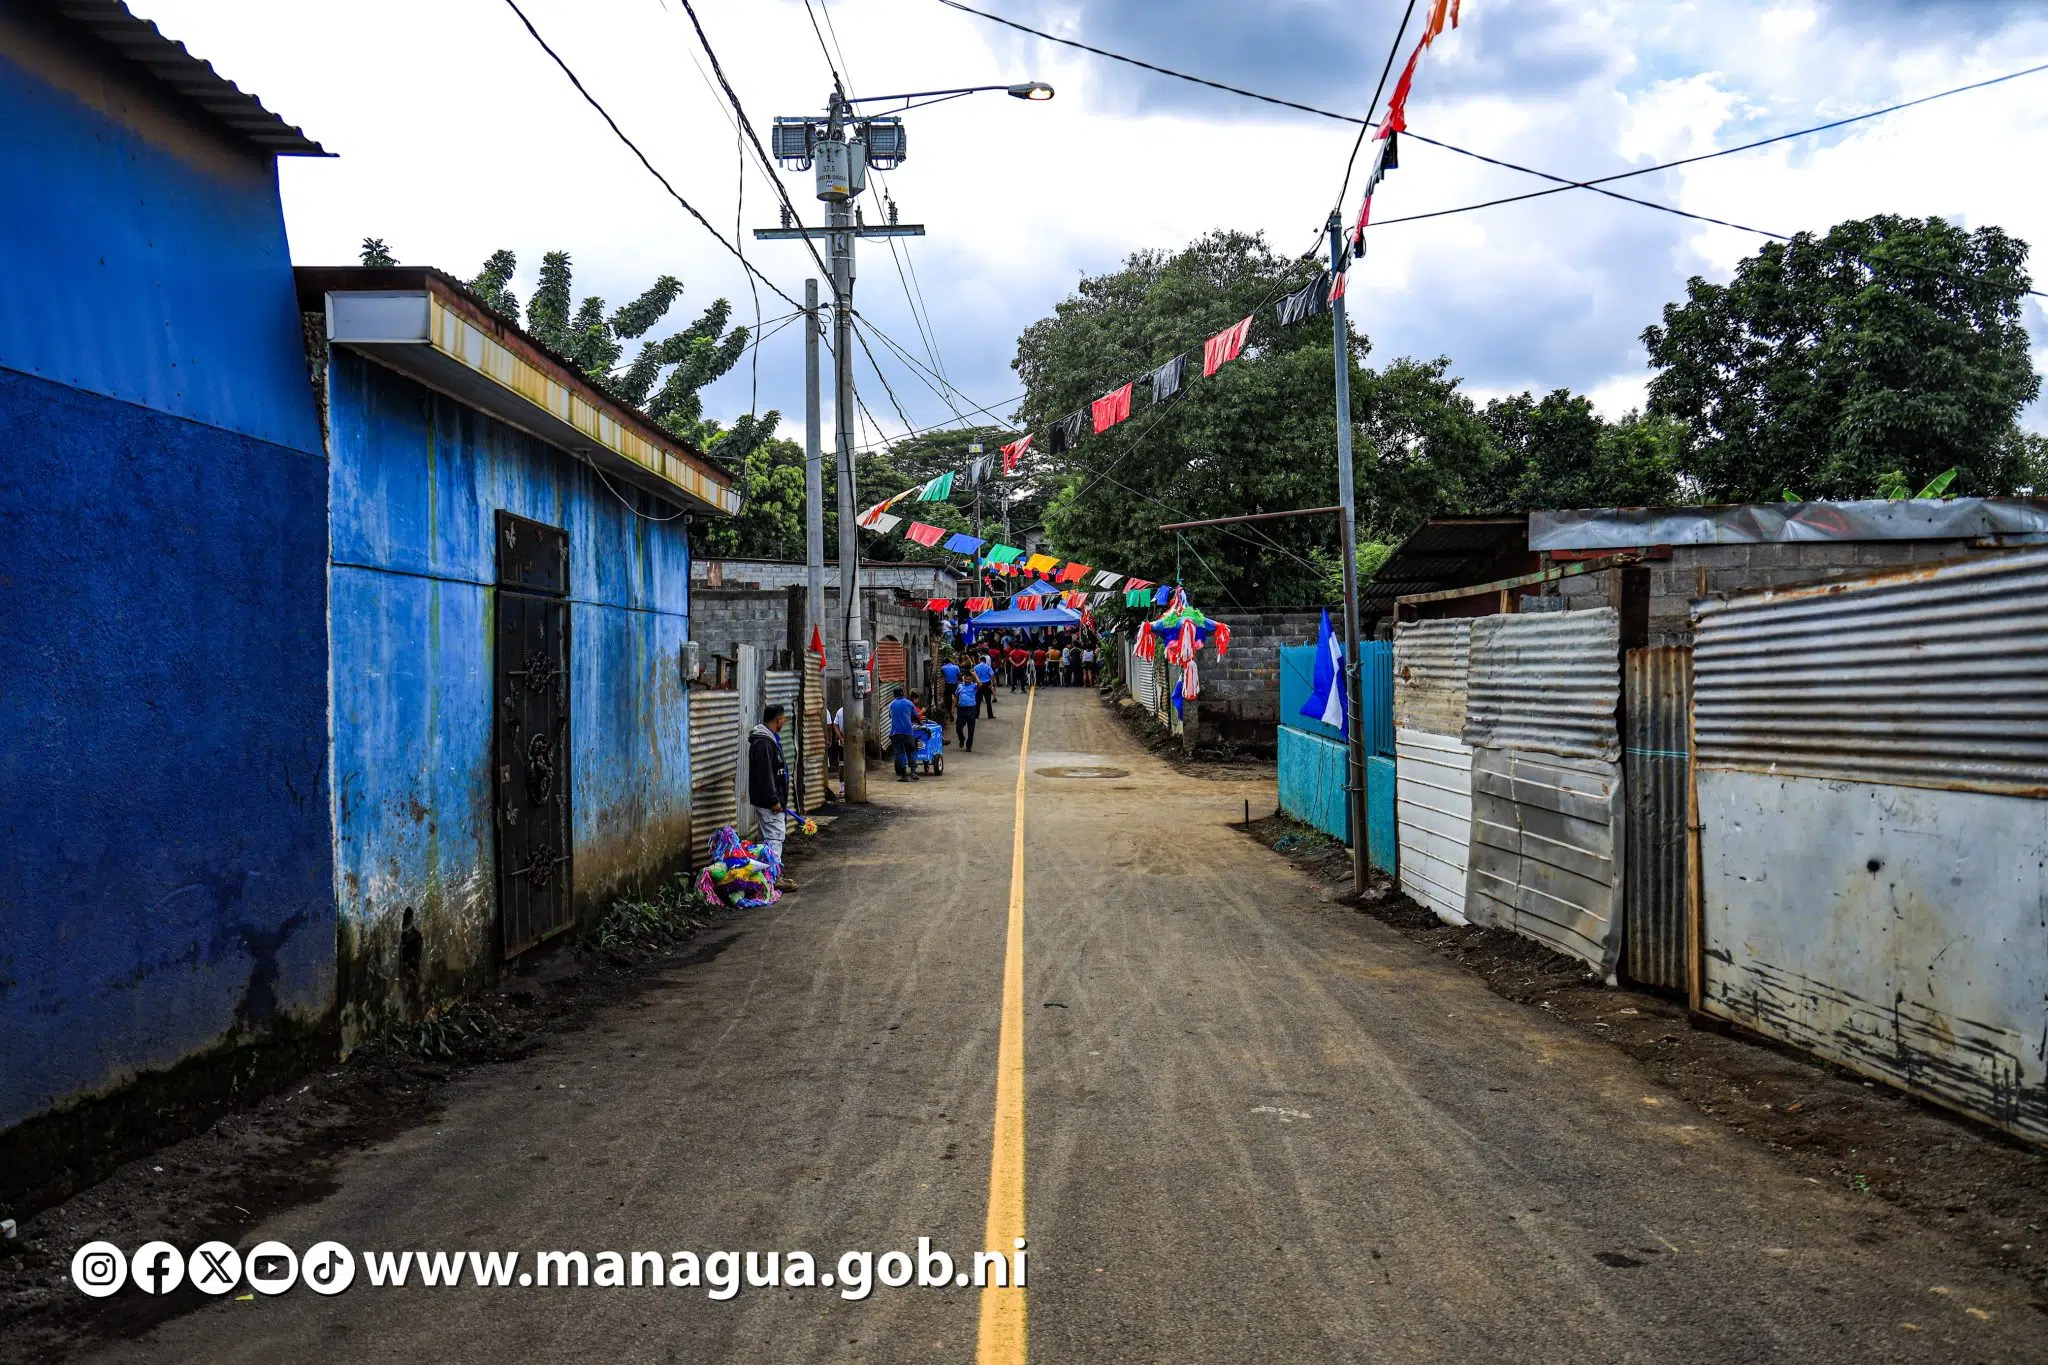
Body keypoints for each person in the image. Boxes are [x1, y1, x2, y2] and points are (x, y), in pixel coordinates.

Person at [747, 705, 798, 889]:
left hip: (769, 801)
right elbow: (765, 775)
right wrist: (774, 800)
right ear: (778, 720)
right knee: (775, 839)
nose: (784, 722)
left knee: (767, 840)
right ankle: (774, 878)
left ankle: (766, 877)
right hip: (770, 803)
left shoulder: (768, 740)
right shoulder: (763, 743)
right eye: (783, 719)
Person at [889, 690, 924, 782]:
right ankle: (913, 772)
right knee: (911, 751)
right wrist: (919, 723)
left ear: (894, 695)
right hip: (908, 732)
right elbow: (915, 716)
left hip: (895, 732)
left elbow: (890, 716)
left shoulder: (891, 704)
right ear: (903, 694)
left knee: (900, 753)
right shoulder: (909, 703)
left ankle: (904, 775)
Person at [954, 668, 979, 752]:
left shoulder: (974, 686)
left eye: (969, 679)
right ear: (964, 678)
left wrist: (975, 675)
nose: (967, 680)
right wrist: (952, 708)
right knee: (958, 728)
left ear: (971, 679)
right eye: (966, 679)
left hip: (971, 709)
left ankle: (969, 746)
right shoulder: (959, 686)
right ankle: (961, 739)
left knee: (971, 729)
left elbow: (980, 685)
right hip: (961, 709)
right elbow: (956, 697)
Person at [975, 651, 997, 718]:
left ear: (980, 660)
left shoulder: (976, 667)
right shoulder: (988, 667)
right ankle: (990, 715)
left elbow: (974, 676)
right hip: (987, 685)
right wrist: (992, 683)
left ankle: (976, 715)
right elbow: (992, 675)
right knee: (988, 701)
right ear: (985, 661)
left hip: (979, 685)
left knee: (977, 701)